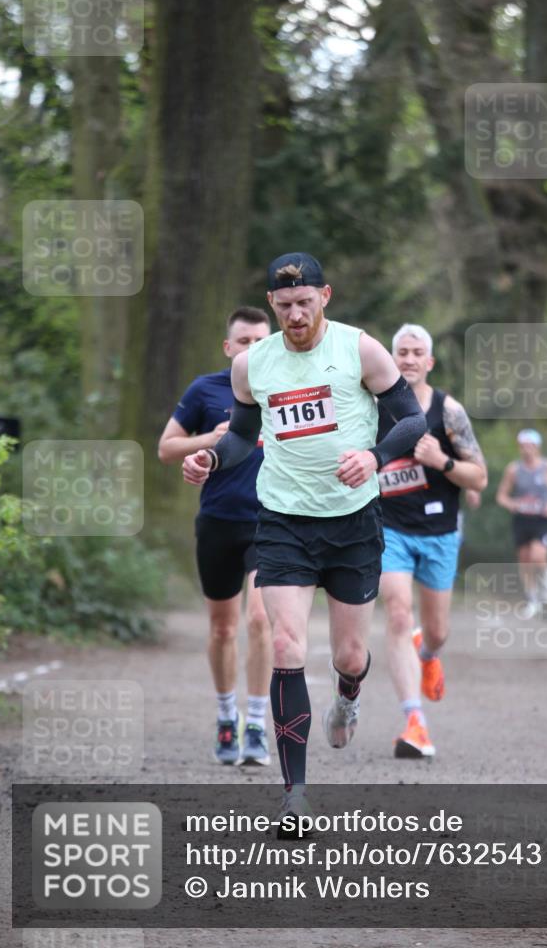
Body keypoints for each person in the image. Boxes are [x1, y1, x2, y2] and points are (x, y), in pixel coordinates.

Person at [182, 252, 427, 827]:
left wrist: (373, 456)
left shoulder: (359, 349)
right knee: (286, 646)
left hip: (352, 522)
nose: (295, 316)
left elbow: (412, 420)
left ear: (325, 296)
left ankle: (349, 695)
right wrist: (211, 458)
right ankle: (295, 797)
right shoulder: (253, 365)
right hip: (284, 519)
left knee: (349, 655)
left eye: (305, 303)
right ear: (272, 304)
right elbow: (244, 437)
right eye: (285, 306)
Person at [158, 307, 273, 767]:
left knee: (262, 621)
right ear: (229, 348)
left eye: (261, 341)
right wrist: (210, 437)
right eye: (244, 341)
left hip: (273, 521)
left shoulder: (287, 392)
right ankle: (227, 718)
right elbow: (166, 448)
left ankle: (258, 726)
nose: (252, 349)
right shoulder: (205, 389)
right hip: (219, 521)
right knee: (223, 627)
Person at [377, 324, 488, 760]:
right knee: (398, 614)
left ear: (430, 361)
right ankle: (414, 721)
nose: (407, 359)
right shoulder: (374, 407)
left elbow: (478, 476)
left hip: (440, 533)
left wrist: (439, 460)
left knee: (437, 634)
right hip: (390, 531)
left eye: (415, 352)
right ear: (391, 357)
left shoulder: (449, 411)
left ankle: (428, 653)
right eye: (400, 351)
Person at [496, 430, 547, 617]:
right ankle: (532, 599)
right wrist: (512, 504)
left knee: (539, 555)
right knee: (525, 560)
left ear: (538, 447)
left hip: (541, 519)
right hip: (522, 519)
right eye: (523, 446)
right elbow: (501, 496)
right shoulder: (513, 469)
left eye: (530, 446)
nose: (527, 450)